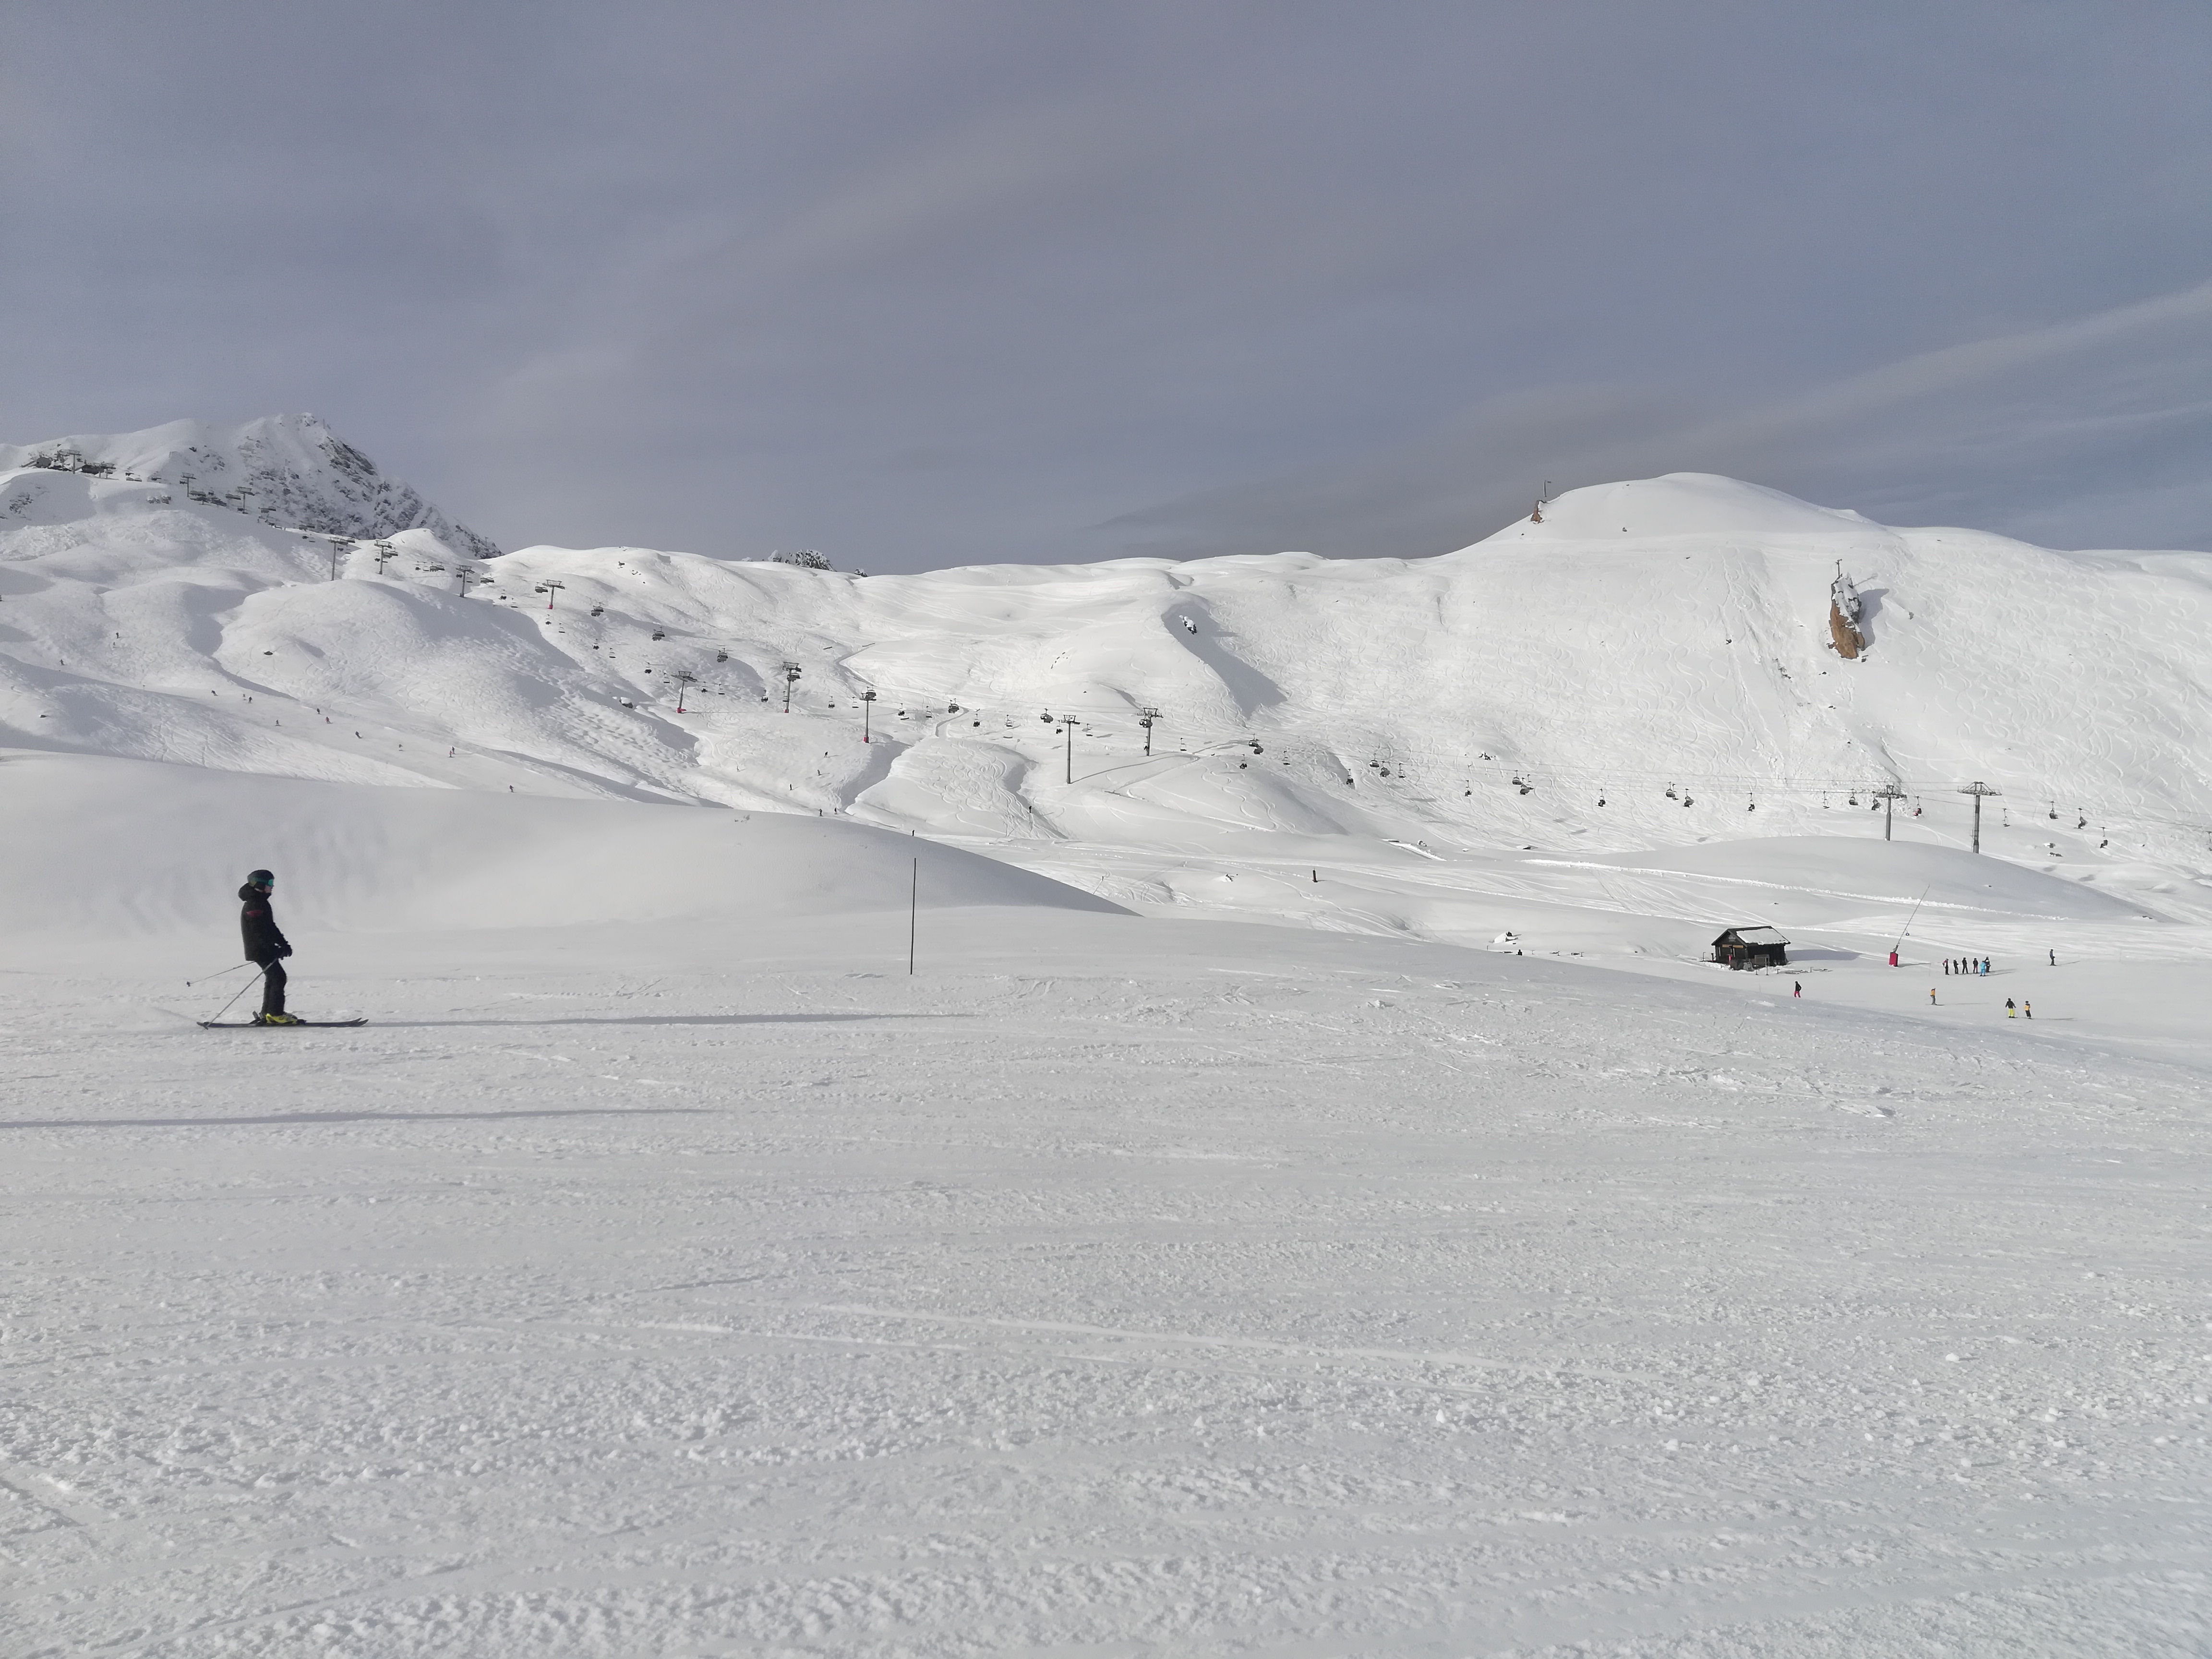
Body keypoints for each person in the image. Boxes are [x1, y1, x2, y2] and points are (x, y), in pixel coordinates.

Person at [238, 869, 299, 1024]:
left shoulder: (260, 901)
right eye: (270, 884)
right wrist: (272, 949)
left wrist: (283, 944)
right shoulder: (254, 904)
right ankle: (275, 1014)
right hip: (260, 949)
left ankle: (269, 1013)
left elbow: (270, 927)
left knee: (274, 977)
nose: (272, 887)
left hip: (263, 949)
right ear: (260, 885)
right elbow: (258, 932)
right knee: (278, 977)